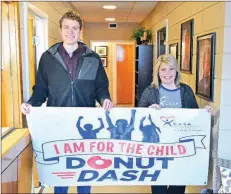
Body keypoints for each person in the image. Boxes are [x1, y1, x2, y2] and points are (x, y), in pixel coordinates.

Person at [21, 10, 113, 194]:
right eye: (66, 27)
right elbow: (41, 89)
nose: (70, 32)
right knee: (62, 169)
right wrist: (31, 103)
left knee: (84, 168)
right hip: (58, 124)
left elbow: (101, 87)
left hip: (86, 123)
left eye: (75, 28)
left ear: (80, 31)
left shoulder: (92, 58)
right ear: (60, 29)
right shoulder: (48, 58)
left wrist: (105, 99)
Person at [138, 54, 214, 194]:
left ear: (176, 71)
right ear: (158, 72)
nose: (167, 73)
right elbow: (137, 118)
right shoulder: (150, 91)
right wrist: (148, 112)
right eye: (163, 69)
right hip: (157, 150)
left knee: (177, 189)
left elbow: (195, 117)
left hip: (181, 149)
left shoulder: (185, 90)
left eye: (171, 69)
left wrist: (205, 112)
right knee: (158, 189)